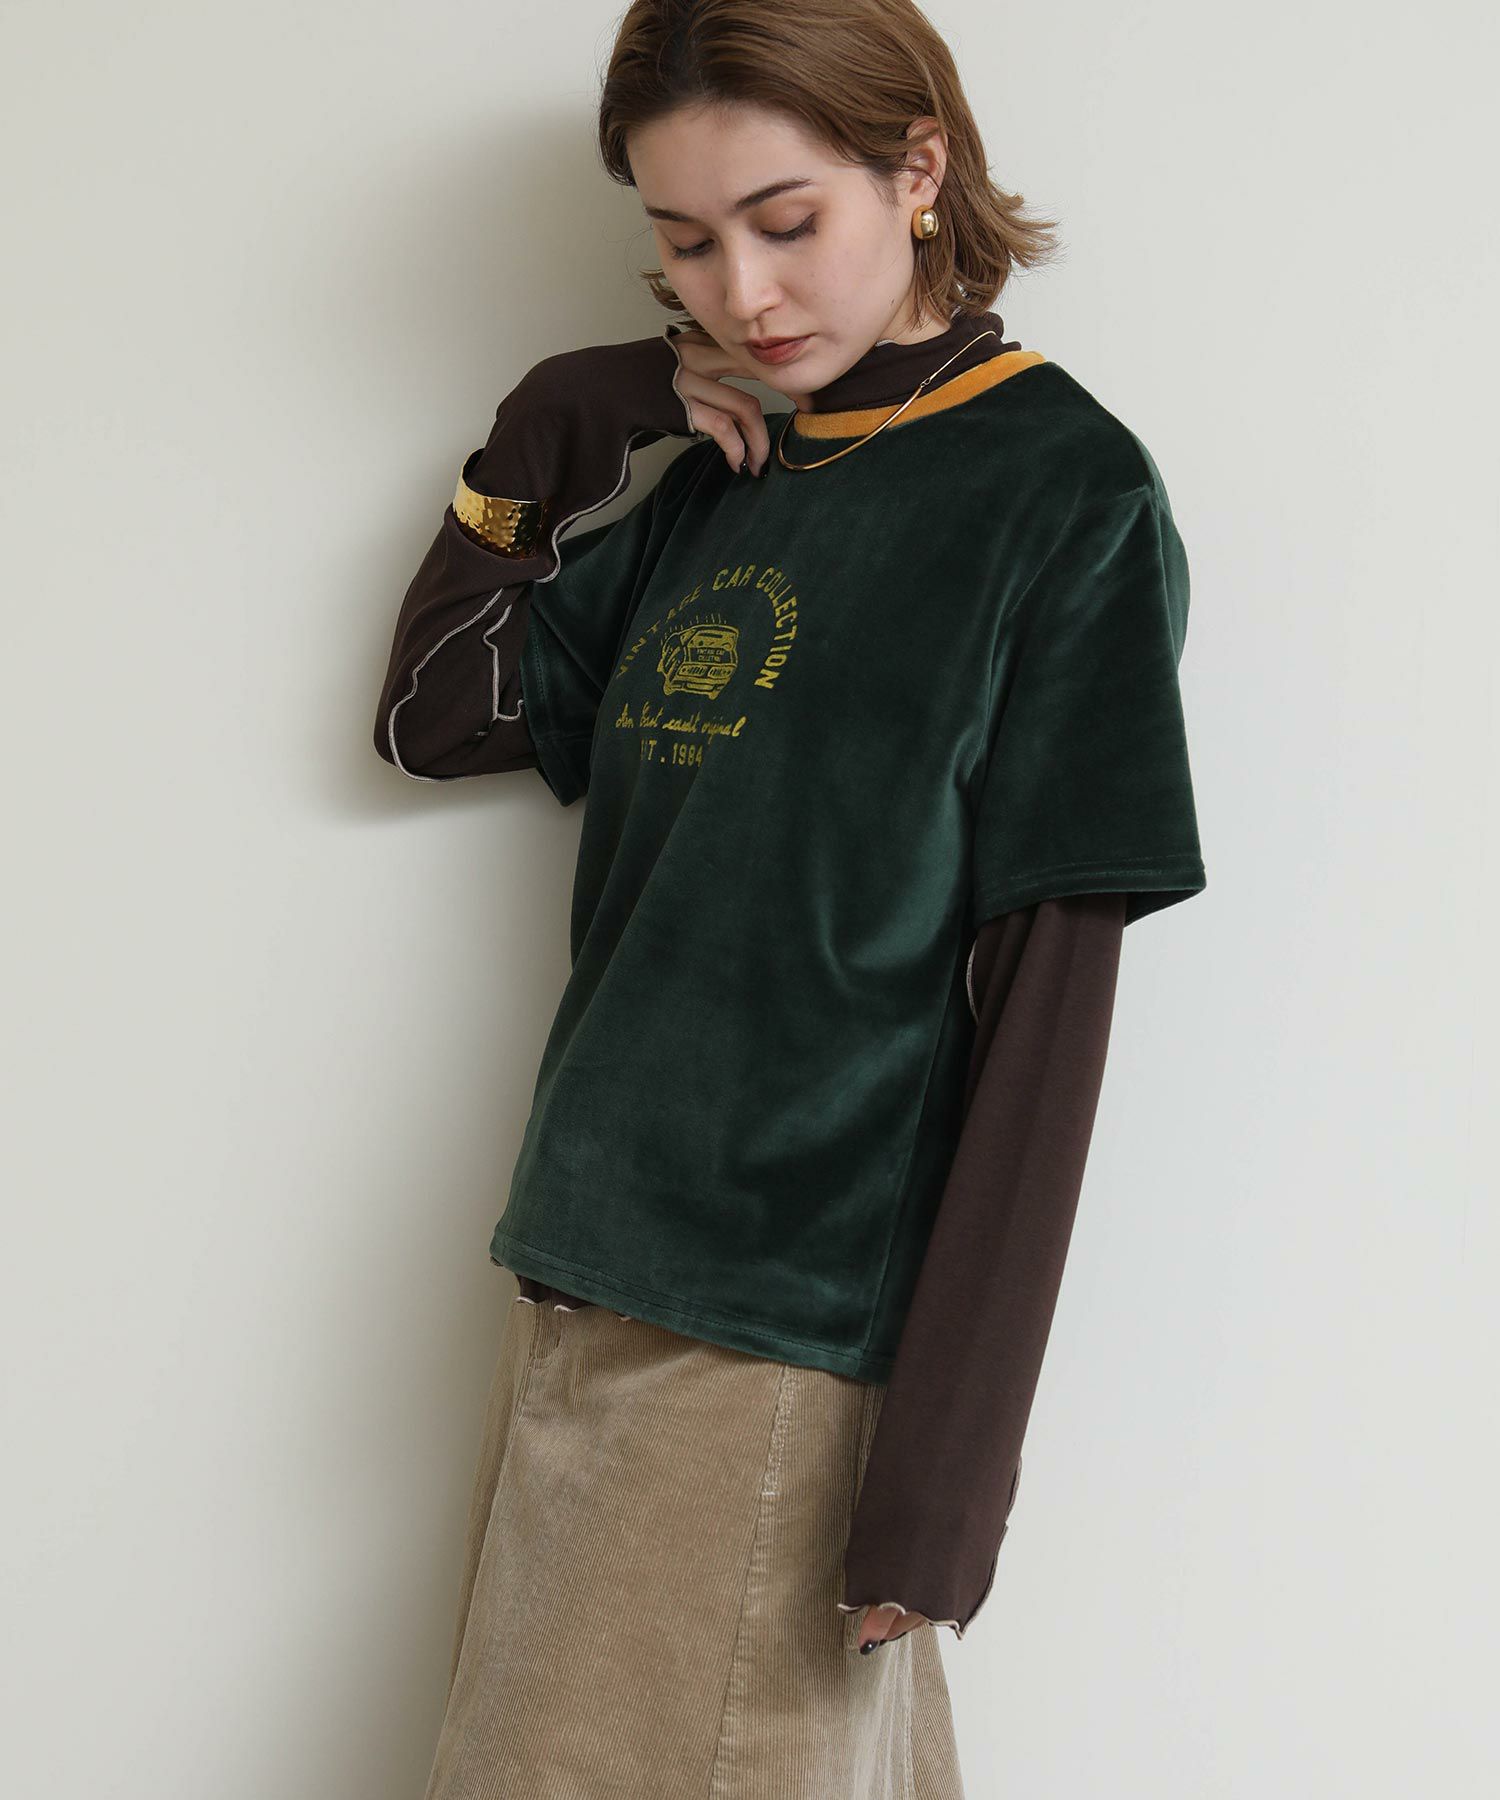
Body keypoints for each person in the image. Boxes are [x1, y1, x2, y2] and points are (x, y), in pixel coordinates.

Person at [373, 2, 1206, 1792]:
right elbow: (438, 715)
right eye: (685, 243)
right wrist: (562, 416)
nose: (743, 297)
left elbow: (1049, 1002)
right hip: (582, 1282)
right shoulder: (725, 485)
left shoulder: (1061, 492)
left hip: (780, 1335)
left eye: (784, 220)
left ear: (919, 171)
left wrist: (946, 1481)